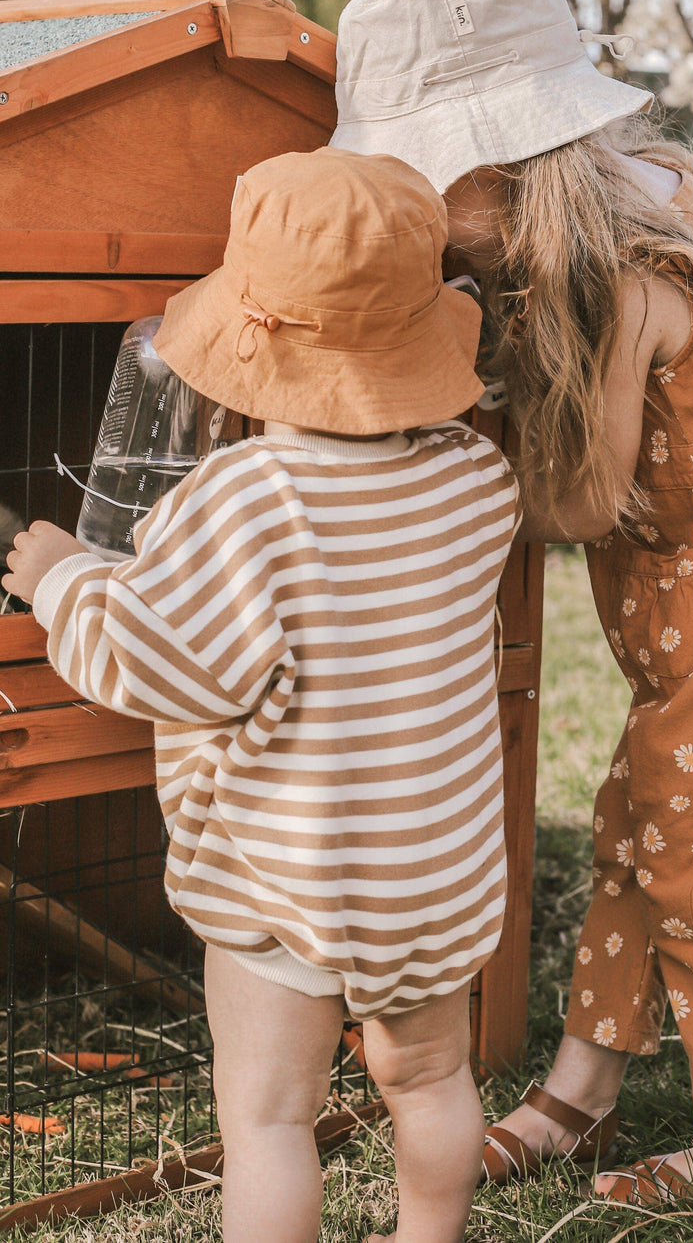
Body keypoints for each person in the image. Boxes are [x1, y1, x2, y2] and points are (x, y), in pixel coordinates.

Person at [328, 0, 693, 1208]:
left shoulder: (618, 279)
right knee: (643, 823)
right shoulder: (668, 189)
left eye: (428, 190)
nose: (429, 225)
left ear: (495, 159)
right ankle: (578, 1097)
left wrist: (461, 434)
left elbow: (581, 501)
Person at [3, 150, 520, 1243]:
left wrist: (63, 580)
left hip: (286, 883)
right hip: (433, 870)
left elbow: (156, 659)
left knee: (271, 1117)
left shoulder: (244, 503)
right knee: (428, 1079)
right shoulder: (478, 482)